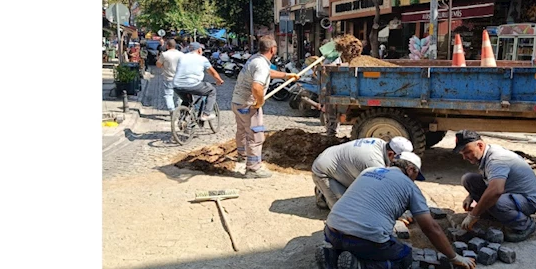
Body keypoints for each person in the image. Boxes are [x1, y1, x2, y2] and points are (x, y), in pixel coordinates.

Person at [317, 152, 476, 269]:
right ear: (411, 169)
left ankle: (332, 256)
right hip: (365, 240)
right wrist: (454, 257)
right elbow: (430, 227)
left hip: (331, 231)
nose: (415, 180)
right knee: (404, 257)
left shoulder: (368, 171)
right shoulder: (409, 186)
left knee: (352, 241)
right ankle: (361, 268)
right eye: (416, 176)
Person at [454, 130, 536, 242]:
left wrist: (473, 215)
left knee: (494, 201)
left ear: (480, 145)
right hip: (511, 192)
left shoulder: (496, 159)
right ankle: (496, 213)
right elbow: (487, 178)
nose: (464, 157)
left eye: (467, 152)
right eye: (462, 154)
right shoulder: (487, 153)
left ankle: (525, 225)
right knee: (468, 179)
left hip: (529, 200)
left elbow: (496, 190)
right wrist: (470, 196)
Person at [230, 35, 299, 178]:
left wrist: (287, 75)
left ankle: (242, 155)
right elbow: (257, 86)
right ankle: (253, 169)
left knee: (242, 131)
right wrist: (260, 101)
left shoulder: (255, 59)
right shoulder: (261, 64)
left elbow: (268, 73)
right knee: (255, 136)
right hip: (248, 105)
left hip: (237, 102)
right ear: (273, 49)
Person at [311, 137, 414, 209]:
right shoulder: (373, 161)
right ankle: (323, 194)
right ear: (391, 153)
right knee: (347, 211)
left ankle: (329, 190)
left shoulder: (380, 143)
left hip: (336, 163)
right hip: (324, 172)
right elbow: (378, 194)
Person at [172, 42, 224, 121]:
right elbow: (212, 72)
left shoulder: (182, 57)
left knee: (187, 100)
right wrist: (219, 80)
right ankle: (206, 114)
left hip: (177, 85)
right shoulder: (202, 59)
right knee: (211, 91)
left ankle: (183, 119)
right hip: (193, 85)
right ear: (199, 50)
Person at [156, 39, 183, 112]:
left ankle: (172, 111)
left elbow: (158, 65)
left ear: (167, 46)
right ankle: (180, 109)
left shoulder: (164, 54)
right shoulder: (181, 54)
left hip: (168, 78)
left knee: (168, 95)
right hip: (180, 78)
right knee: (180, 96)